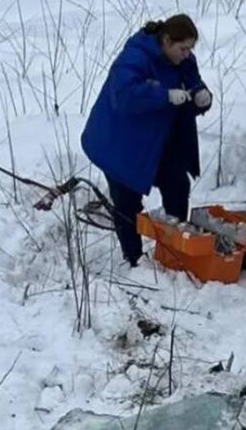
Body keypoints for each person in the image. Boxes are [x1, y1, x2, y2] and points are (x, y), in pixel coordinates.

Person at [81, 15, 212, 267]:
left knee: (177, 185)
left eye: (190, 49)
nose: (187, 54)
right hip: (120, 144)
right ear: (165, 41)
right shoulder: (135, 57)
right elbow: (125, 95)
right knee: (127, 204)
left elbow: (192, 83)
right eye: (183, 48)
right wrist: (163, 95)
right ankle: (134, 261)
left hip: (157, 139)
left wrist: (201, 96)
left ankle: (173, 249)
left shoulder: (183, 61)